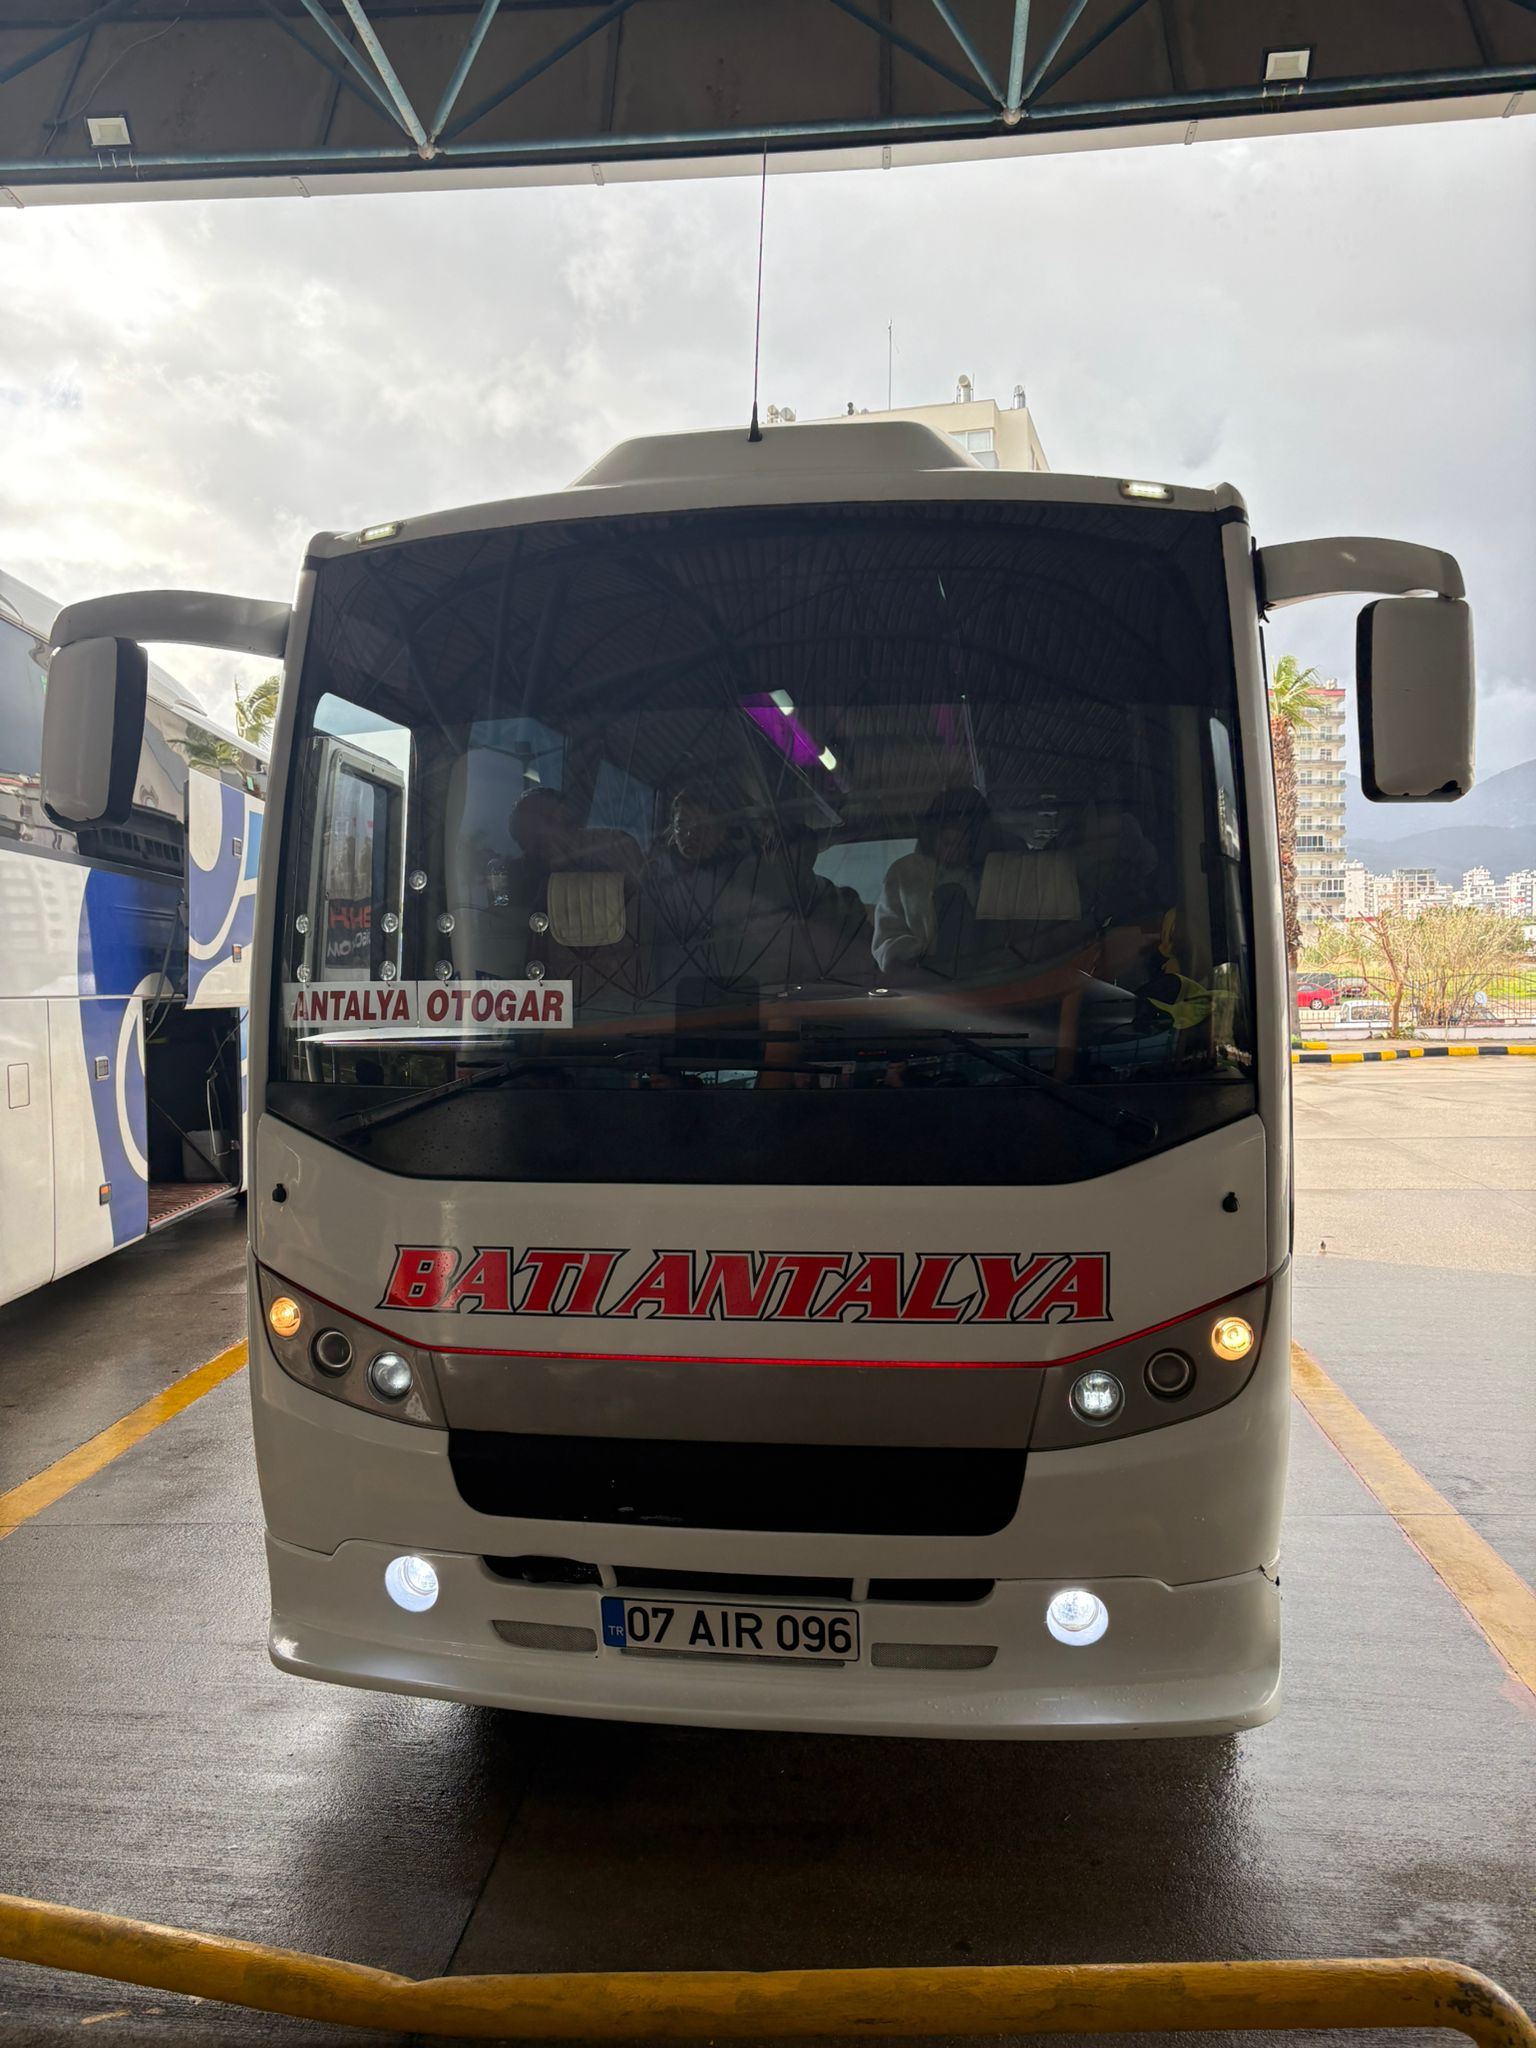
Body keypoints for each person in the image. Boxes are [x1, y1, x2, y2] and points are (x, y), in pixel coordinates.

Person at [872, 787, 998, 976]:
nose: (954, 851)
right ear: (933, 837)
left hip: (982, 974)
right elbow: (887, 936)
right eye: (948, 843)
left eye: (963, 845)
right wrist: (916, 957)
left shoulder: (987, 873)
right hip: (919, 975)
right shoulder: (906, 871)